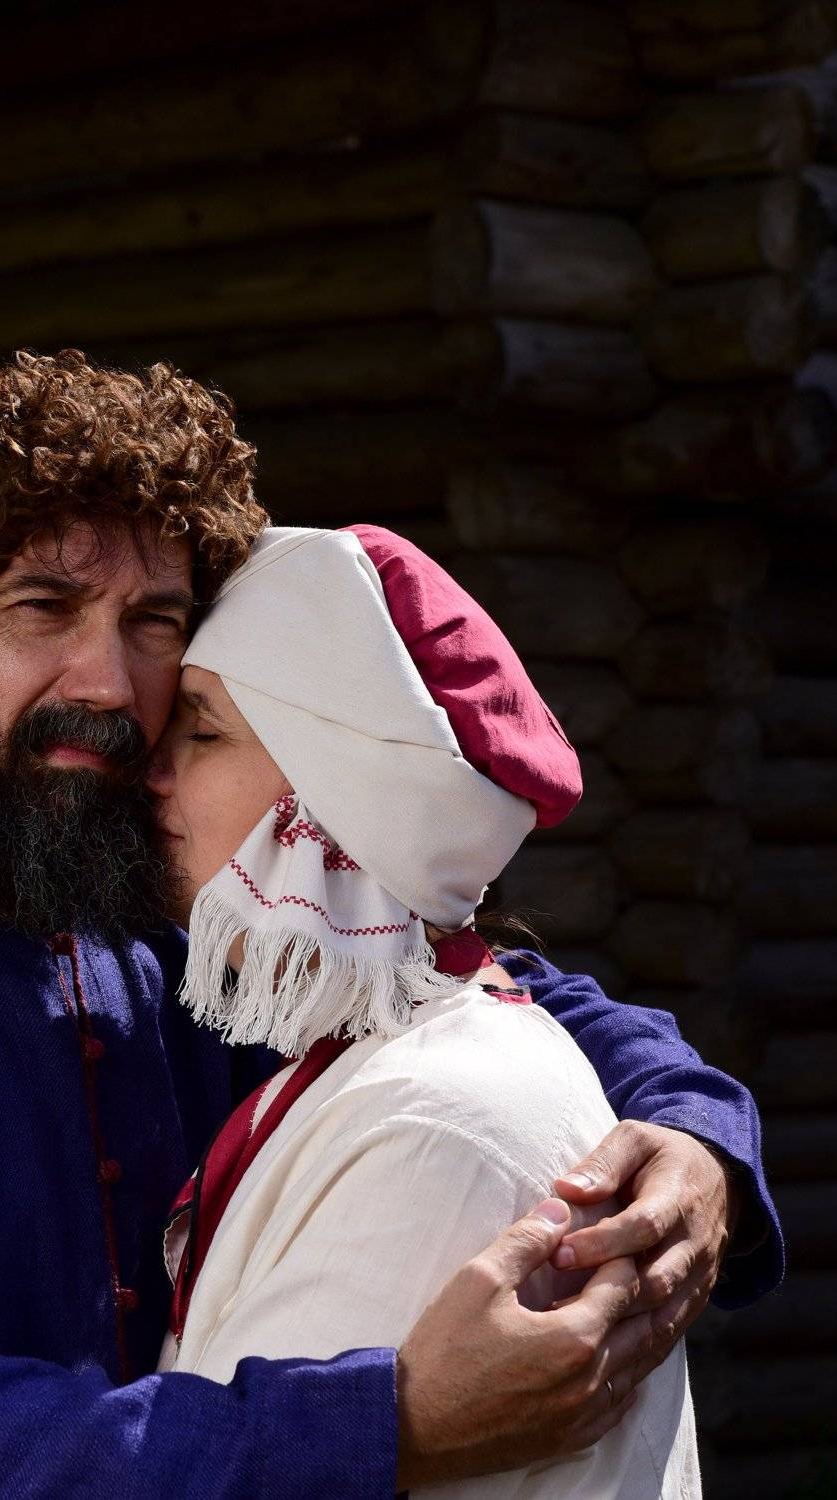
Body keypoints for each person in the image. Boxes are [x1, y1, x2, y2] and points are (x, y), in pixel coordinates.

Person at [0, 351, 780, 1497]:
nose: (111, 682)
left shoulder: (189, 917)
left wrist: (698, 1141)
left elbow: (453, 981)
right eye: (43, 607)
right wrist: (394, 1422)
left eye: (153, 620)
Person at [150, 523, 702, 1494]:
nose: (152, 770)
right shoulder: (383, 1053)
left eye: (201, 731)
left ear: (327, 805)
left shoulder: (433, 1128)